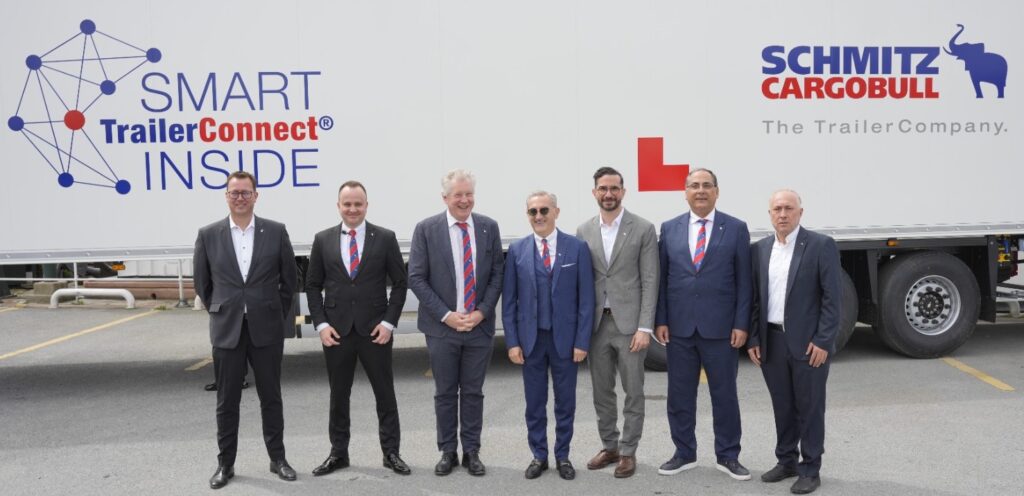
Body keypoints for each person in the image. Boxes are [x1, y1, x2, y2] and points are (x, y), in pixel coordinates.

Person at [193, 170, 298, 489]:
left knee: (271, 397)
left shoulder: (275, 231)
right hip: (227, 329)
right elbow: (203, 284)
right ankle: (225, 464)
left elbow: (289, 280)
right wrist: (224, 309)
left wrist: (273, 312)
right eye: (234, 192)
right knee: (227, 401)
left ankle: (278, 459)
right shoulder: (208, 234)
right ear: (226, 196)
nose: (240, 197)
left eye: (245, 192)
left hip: (266, 328)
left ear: (256, 195)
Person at [305, 181, 410, 477]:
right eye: (347, 204)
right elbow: (312, 285)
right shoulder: (322, 239)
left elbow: (400, 283)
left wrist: (388, 322)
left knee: (385, 394)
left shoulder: (385, 238)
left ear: (366, 205)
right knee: (339, 396)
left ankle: (391, 453)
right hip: (336, 332)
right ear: (338, 206)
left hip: (375, 331)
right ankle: (338, 453)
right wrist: (321, 324)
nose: (353, 209)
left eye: (358, 204)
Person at [655, 167, 753, 481]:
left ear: (716, 192)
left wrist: (741, 324)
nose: (700, 190)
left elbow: (745, 282)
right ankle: (684, 453)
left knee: (725, 396)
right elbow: (662, 279)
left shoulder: (735, 228)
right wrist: (661, 319)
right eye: (694, 185)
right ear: (685, 192)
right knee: (679, 395)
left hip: (721, 329)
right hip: (680, 328)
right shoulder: (669, 228)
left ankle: (728, 456)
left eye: (706, 185)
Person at [408, 169, 504, 476]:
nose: (464, 200)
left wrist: (482, 312)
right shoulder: (426, 229)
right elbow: (416, 278)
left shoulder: (488, 227)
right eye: (458, 195)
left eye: (469, 194)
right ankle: (447, 451)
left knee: (473, 392)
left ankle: (472, 451)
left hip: (479, 326)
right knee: (445, 393)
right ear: (445, 198)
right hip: (442, 328)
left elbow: (497, 274)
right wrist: (447, 315)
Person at [748, 190, 840, 495]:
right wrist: (754, 338)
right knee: (783, 405)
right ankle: (786, 460)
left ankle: (811, 468)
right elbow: (756, 299)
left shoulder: (820, 245)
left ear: (801, 212)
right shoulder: (760, 249)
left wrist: (823, 341)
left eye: (789, 208)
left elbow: (832, 298)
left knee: (810, 407)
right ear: (770, 214)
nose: (783, 214)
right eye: (777, 209)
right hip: (772, 341)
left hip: (809, 345)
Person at [503, 191, 594, 481]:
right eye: (533, 211)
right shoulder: (517, 250)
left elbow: (586, 300)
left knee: (565, 403)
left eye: (544, 210)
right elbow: (509, 302)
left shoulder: (576, 247)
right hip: (531, 341)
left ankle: (563, 455)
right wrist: (512, 342)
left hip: (565, 341)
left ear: (556, 212)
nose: (539, 216)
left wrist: (582, 341)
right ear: (528, 215)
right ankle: (539, 455)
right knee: (534, 403)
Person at [575, 167, 659, 478]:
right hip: (597, 326)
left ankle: (628, 451)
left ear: (623, 191)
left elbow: (650, 280)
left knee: (633, 391)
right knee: (601, 392)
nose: (608, 194)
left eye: (614, 188)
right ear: (594, 192)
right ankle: (609, 446)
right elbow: (581, 281)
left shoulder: (643, 228)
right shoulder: (583, 230)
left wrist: (645, 327)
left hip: (630, 327)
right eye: (603, 188)